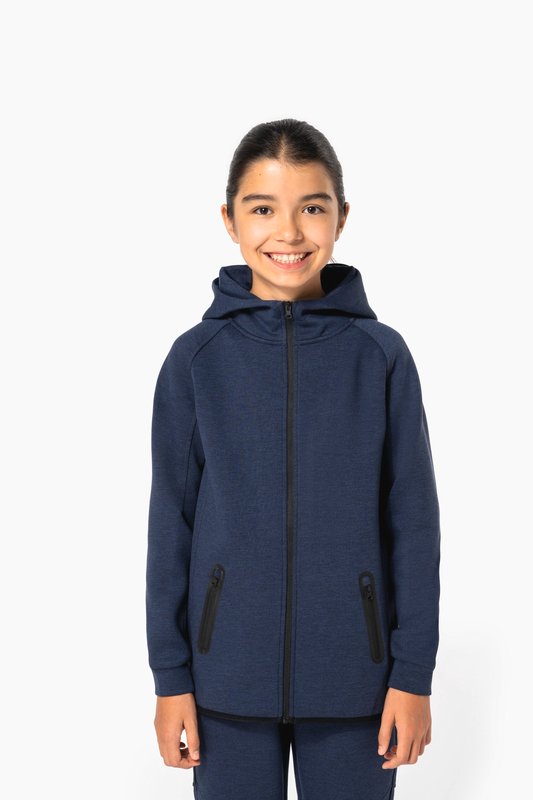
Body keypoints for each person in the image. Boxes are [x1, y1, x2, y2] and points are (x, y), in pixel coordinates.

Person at [145, 118, 441, 800]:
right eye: (262, 209)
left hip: (358, 684)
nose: (288, 231)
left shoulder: (380, 357)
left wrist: (411, 675)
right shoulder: (195, 360)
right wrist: (171, 679)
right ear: (229, 219)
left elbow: (414, 526)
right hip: (224, 684)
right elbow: (170, 528)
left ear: (341, 217)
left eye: (311, 207)